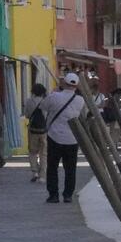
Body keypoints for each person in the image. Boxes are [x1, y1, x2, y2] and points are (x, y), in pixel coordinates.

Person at [37, 73, 85, 204]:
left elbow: (43, 106)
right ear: (76, 85)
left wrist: (57, 91)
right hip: (72, 138)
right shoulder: (80, 100)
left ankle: (53, 195)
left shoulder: (54, 96)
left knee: (52, 167)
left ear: (64, 82)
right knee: (70, 169)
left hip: (54, 136)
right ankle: (68, 194)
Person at [23, 79, 48, 183]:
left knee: (32, 152)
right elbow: (47, 116)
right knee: (43, 153)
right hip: (43, 130)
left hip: (33, 130)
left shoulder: (28, 101)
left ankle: (35, 172)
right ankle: (42, 175)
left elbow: (27, 115)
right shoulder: (46, 101)